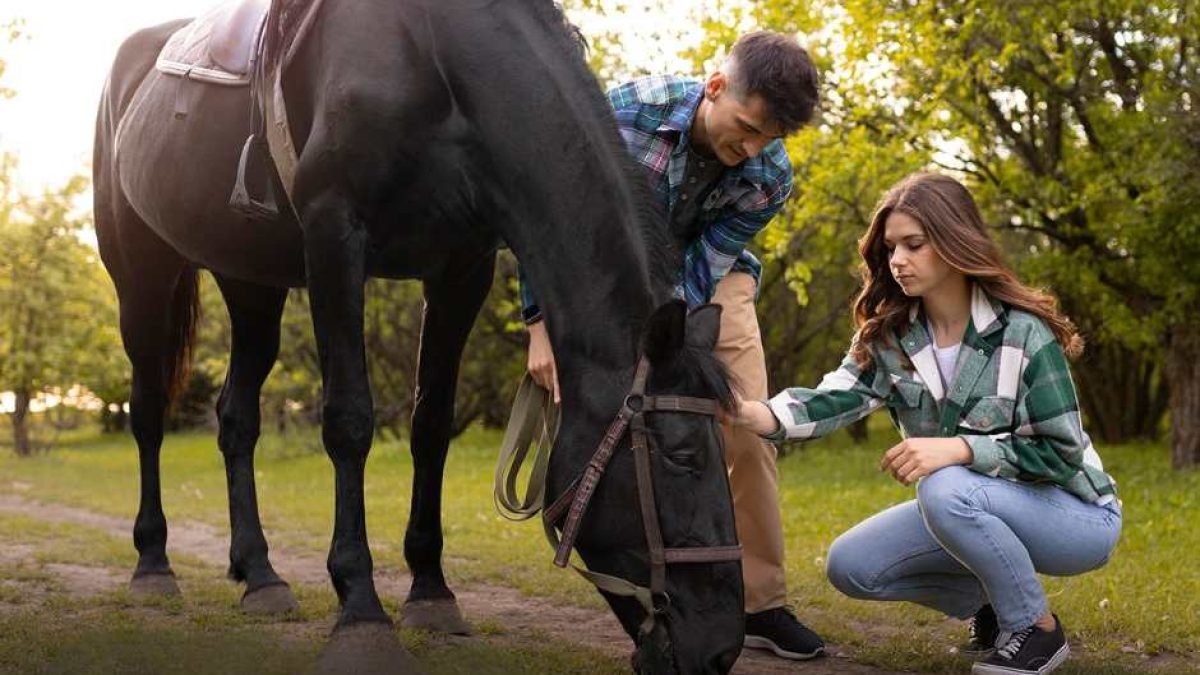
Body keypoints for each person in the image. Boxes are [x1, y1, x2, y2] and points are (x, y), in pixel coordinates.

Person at [734, 172, 1122, 675]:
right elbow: (834, 398)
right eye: (891, 247)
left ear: (953, 240)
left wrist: (962, 450)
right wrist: (751, 413)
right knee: (852, 566)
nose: (897, 260)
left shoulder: (1022, 333)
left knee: (942, 486)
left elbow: (1062, 454)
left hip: (1076, 514)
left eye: (913, 245)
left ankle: (1036, 630)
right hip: (967, 501)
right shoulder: (892, 338)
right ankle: (995, 605)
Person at [519, 31, 826, 660]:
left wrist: (668, 343)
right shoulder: (625, 113)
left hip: (706, 283)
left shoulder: (770, 176)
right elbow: (545, 215)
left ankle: (761, 603)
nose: (751, 150)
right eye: (746, 128)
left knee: (745, 425)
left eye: (769, 139)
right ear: (715, 88)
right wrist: (538, 324)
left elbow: (703, 270)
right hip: (602, 275)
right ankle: (639, 573)